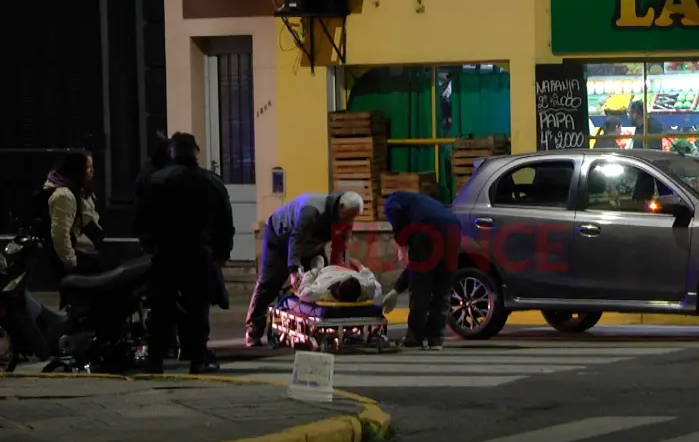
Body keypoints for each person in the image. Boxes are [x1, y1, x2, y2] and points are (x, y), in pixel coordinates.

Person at [136, 132, 234, 374]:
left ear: (173, 151)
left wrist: (149, 246)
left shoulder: (156, 180)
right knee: (197, 308)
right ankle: (197, 359)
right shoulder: (212, 182)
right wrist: (222, 253)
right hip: (199, 254)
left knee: (161, 309)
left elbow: (142, 219)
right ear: (195, 151)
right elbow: (225, 222)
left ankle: (155, 360)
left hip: (165, 253)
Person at [244, 191, 364, 347]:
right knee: (270, 282)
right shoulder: (312, 211)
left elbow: (340, 246)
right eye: (349, 217)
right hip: (282, 237)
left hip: (312, 243)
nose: (351, 221)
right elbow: (296, 239)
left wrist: (335, 272)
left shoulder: (346, 215)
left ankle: (318, 325)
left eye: (353, 218)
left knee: (322, 282)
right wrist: (294, 270)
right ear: (340, 207)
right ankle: (253, 329)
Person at [380, 191, 461, 350]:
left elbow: (394, 210)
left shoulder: (393, 200)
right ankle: (436, 339)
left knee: (420, 288)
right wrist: (397, 289)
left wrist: (401, 242)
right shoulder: (422, 201)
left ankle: (414, 337)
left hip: (426, 229)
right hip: (454, 228)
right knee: (443, 288)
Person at [33, 150, 104, 279]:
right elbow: (60, 234)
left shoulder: (79, 189)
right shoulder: (64, 196)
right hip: (78, 257)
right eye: (88, 168)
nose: (92, 172)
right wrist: (71, 262)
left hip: (87, 253)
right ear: (77, 170)